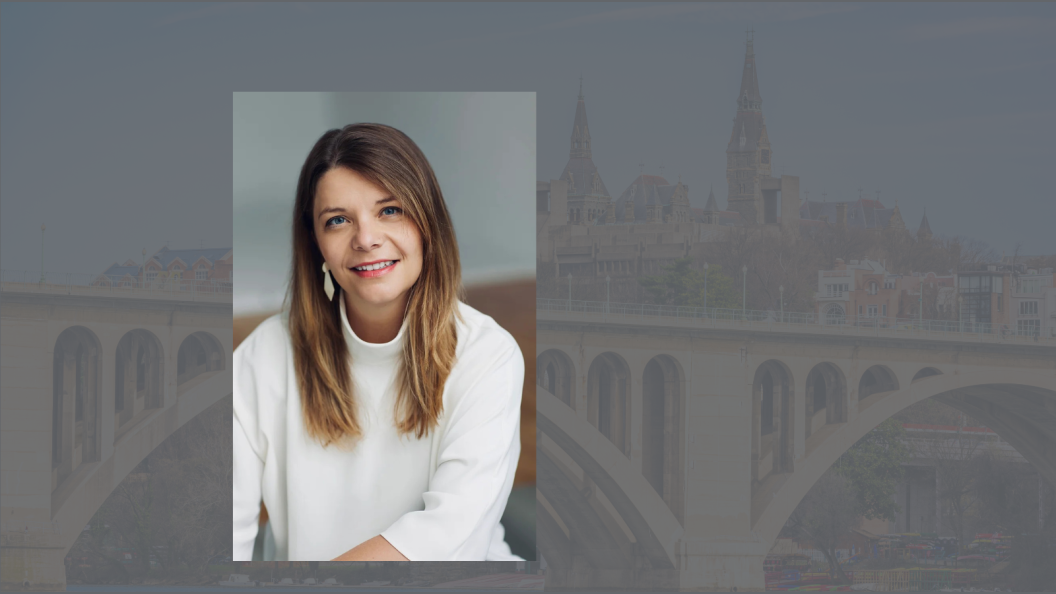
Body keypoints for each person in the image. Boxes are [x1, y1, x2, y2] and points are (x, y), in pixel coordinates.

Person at [232, 124, 524, 562]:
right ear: (316, 245)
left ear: (428, 221)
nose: (365, 238)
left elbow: (446, 538)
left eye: (390, 211)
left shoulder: (487, 356)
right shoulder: (261, 359)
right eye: (337, 220)